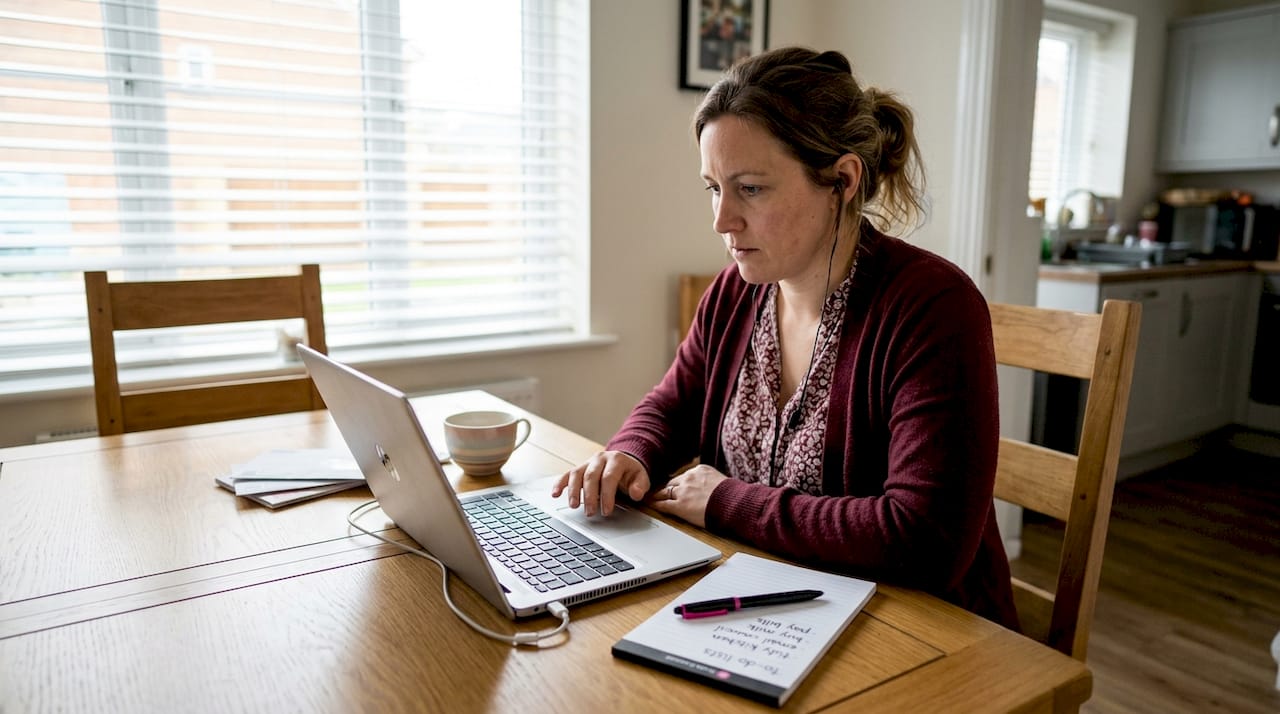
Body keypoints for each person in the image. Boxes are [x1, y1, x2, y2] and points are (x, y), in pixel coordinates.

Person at [552, 46, 1018, 629]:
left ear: (842, 181)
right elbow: (675, 401)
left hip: (918, 633)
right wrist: (630, 451)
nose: (722, 220)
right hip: (764, 605)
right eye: (712, 188)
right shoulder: (734, 294)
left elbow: (926, 540)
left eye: (749, 188)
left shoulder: (932, 308)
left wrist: (727, 503)